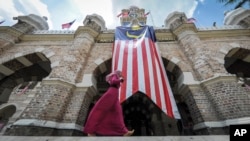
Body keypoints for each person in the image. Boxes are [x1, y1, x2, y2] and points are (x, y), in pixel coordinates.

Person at [83, 70, 134, 136]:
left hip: (115, 95)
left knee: (118, 112)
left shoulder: (117, 77)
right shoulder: (115, 75)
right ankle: (91, 130)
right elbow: (113, 81)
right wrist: (120, 79)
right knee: (100, 110)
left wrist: (120, 80)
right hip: (111, 93)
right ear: (118, 73)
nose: (121, 74)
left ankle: (125, 131)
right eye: (120, 73)